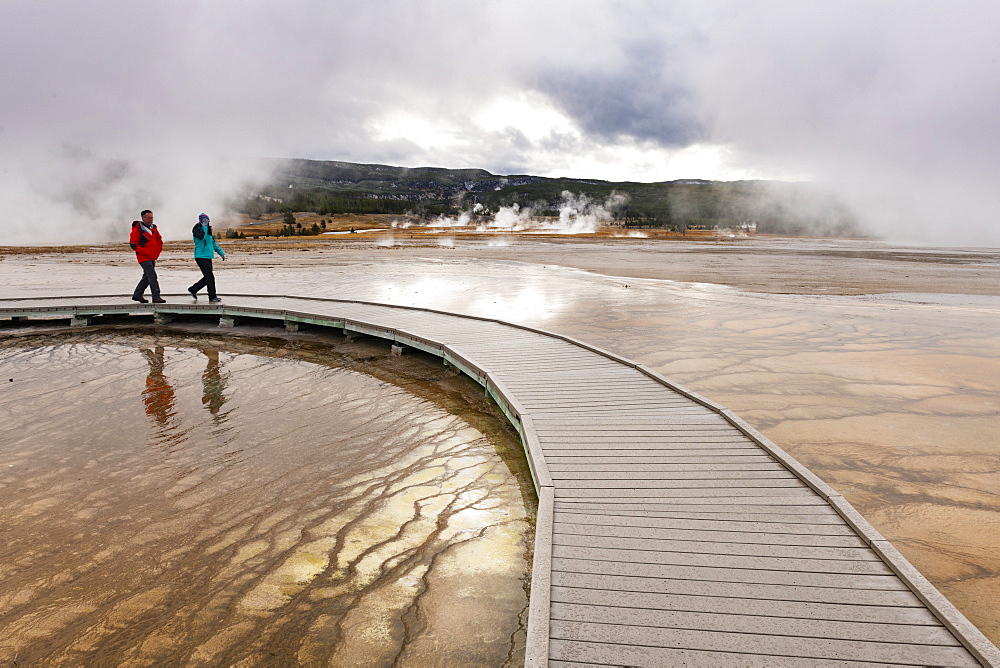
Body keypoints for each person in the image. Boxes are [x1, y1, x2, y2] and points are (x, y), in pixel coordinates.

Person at [187, 213, 225, 303]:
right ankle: (212, 296)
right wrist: (204, 227)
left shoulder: (208, 230)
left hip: (208, 256)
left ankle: (193, 289)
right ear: (200, 221)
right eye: (204, 220)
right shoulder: (196, 230)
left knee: (207, 277)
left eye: (207, 220)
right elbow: (202, 238)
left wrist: (221, 253)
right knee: (210, 277)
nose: (206, 222)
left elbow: (213, 243)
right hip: (200, 257)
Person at [129, 209, 165, 303]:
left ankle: (137, 295)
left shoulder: (153, 228)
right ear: (143, 218)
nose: (150, 220)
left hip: (152, 256)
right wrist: (145, 252)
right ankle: (156, 297)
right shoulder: (137, 230)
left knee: (147, 277)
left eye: (152, 217)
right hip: (144, 257)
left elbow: (159, 240)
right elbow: (133, 244)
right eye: (148, 218)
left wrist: (157, 251)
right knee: (152, 276)